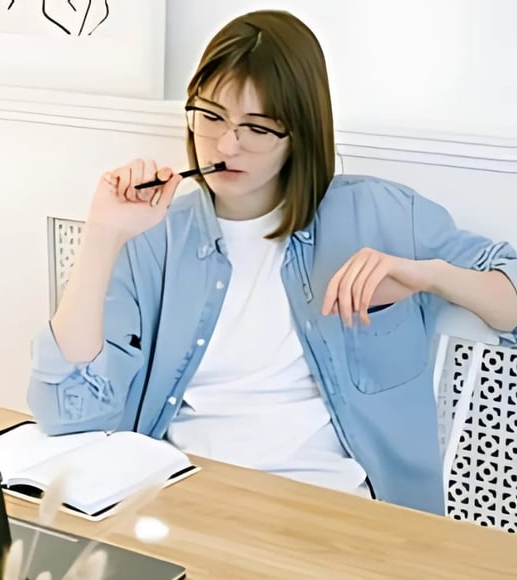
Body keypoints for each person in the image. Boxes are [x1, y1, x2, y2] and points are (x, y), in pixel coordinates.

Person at [26, 10, 517, 515]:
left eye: (256, 128)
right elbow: (68, 412)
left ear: (299, 134)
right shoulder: (156, 237)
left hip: (336, 513)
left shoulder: (383, 215)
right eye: (210, 116)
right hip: (183, 503)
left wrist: (430, 277)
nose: (226, 145)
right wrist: (104, 237)